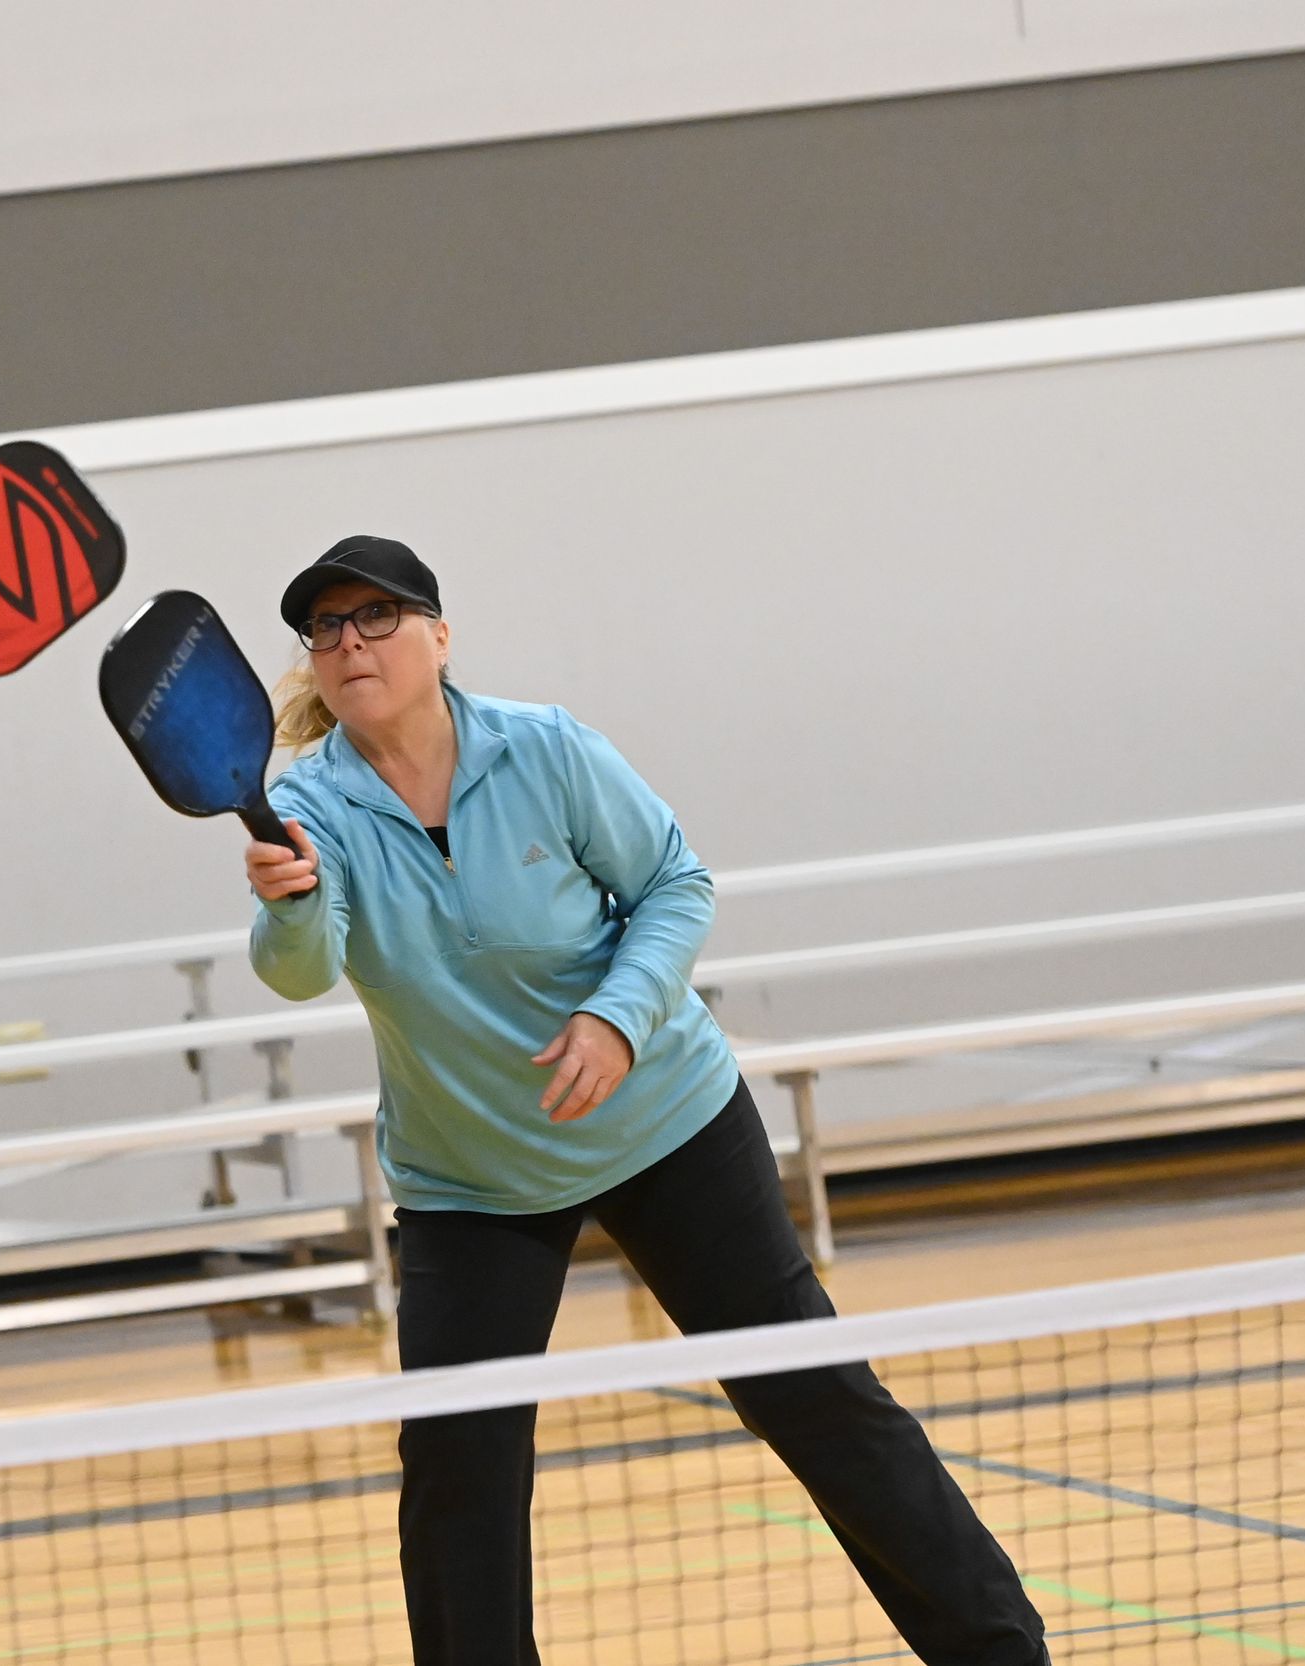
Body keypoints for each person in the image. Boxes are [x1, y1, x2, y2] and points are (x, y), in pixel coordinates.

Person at [243, 535, 1047, 1665]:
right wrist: (283, 898)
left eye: (376, 616)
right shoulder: (307, 805)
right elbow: (300, 968)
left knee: (815, 1397)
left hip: (664, 1121)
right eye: (325, 628)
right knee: (459, 1471)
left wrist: (617, 1018)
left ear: (437, 634)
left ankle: (1001, 1655)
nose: (348, 643)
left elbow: (675, 883)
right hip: (472, 1176)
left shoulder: (546, 750)